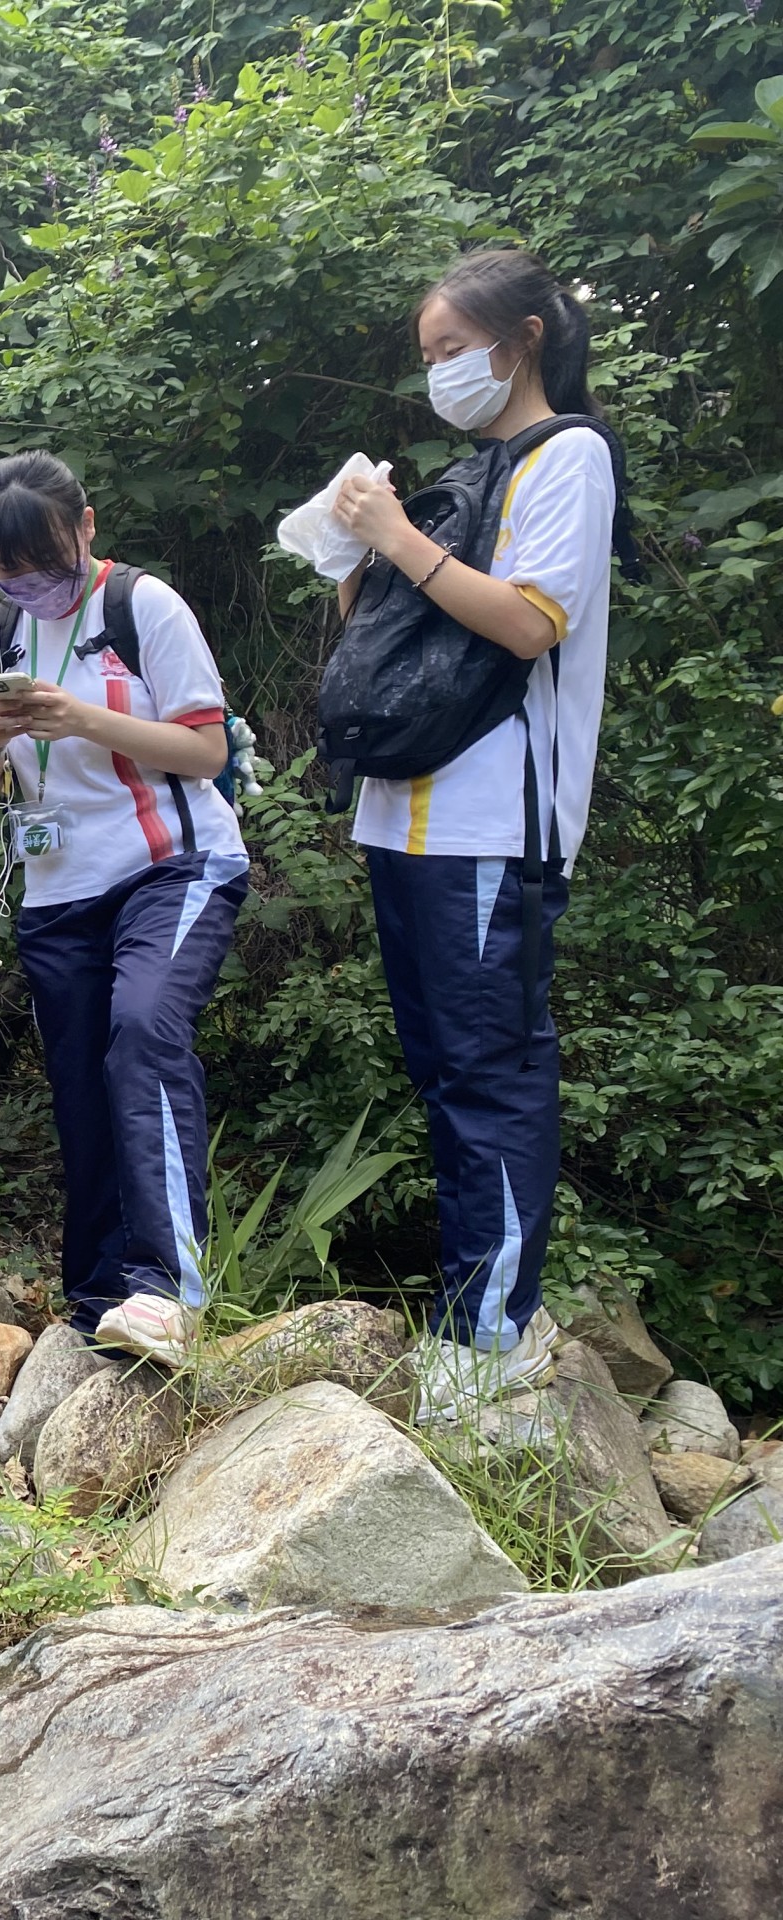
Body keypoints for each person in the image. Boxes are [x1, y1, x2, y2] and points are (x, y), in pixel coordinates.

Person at [328, 249, 621, 1416]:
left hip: (495, 821)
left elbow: (529, 622)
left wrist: (401, 537)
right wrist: (356, 550)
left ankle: (489, 1337)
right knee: (444, 1071)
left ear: (525, 338)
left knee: (489, 1071)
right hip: (402, 814)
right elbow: (386, 631)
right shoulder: (468, 474)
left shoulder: (569, 457)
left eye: (453, 349)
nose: (440, 371)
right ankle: (477, 1316)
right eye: (428, 356)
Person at [0, 452, 246, 1365]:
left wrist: (79, 718)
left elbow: (206, 751)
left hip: (173, 866)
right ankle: (97, 1301)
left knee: (144, 1029)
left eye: (45, 562)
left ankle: (169, 1290)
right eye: (9, 571)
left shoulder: (142, 607)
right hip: (58, 890)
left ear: (86, 527)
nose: (30, 584)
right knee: (81, 1084)